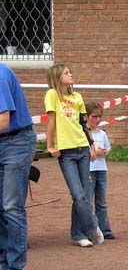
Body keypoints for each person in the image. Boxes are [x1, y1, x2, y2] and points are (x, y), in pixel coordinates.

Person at [45, 64, 103, 248]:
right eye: (66, 73)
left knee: (85, 193)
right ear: (58, 77)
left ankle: (78, 234)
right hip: (67, 152)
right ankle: (92, 227)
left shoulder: (77, 96)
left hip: (82, 148)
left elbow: (83, 124)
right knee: (78, 194)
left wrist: (91, 146)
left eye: (70, 72)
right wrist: (50, 145)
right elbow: (51, 121)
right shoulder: (52, 95)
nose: (71, 75)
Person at [0, 63, 37, 270]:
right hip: (6, 141)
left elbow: (3, 120)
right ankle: (3, 266)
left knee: (11, 206)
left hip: (15, 142)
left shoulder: (0, 74)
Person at [86, 102, 114, 240]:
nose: (97, 120)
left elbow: (108, 147)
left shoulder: (102, 133)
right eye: (94, 116)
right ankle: (90, 229)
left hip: (101, 169)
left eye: (99, 117)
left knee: (101, 201)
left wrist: (105, 152)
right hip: (89, 170)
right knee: (88, 200)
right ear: (86, 117)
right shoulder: (83, 133)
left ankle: (105, 228)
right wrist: (93, 151)